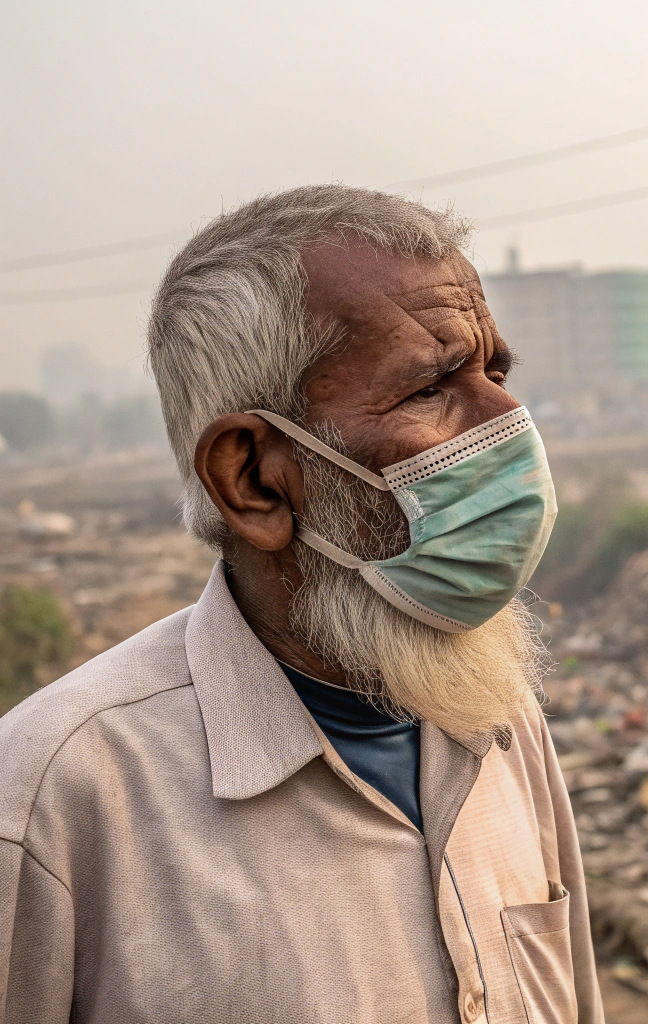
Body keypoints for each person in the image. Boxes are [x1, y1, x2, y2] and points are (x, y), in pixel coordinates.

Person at [0, 186, 603, 1024]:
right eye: (430, 389)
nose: (509, 421)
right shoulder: (53, 799)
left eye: (494, 371)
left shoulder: (498, 719)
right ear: (251, 479)